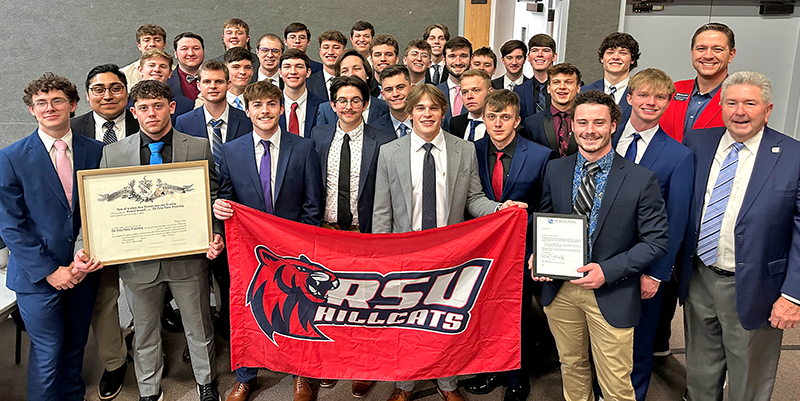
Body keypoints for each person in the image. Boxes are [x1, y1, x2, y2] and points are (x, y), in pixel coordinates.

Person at [373, 84, 526, 401]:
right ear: (411, 113)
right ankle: (404, 386)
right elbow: (382, 211)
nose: (426, 114)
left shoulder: (463, 150)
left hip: (451, 256)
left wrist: (500, 209)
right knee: (407, 324)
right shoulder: (390, 152)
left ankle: (448, 384)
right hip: (405, 254)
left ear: (443, 112)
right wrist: (381, 257)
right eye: (420, 108)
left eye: (433, 108)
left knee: (444, 323)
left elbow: (474, 199)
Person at [532, 90, 669, 401]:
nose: (589, 130)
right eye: (582, 122)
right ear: (573, 125)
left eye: (598, 122)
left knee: (616, 381)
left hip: (611, 291)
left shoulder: (641, 179)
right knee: (572, 366)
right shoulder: (556, 169)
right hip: (561, 291)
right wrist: (537, 255)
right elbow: (546, 218)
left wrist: (607, 271)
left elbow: (656, 240)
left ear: (613, 125)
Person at [96, 80, 225, 401]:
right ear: (133, 112)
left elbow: (211, 198)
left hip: (189, 258)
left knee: (199, 327)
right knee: (145, 332)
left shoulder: (197, 146)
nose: (151, 113)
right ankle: (149, 391)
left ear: (172, 107)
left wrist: (216, 234)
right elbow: (104, 207)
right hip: (138, 262)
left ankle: (206, 383)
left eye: (157, 106)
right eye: (143, 108)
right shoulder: (114, 153)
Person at [680, 71, 800, 401]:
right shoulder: (698, 142)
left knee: (749, 375)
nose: (740, 111)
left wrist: (792, 296)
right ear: (720, 106)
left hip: (758, 284)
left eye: (750, 103)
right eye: (731, 102)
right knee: (700, 366)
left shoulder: (793, 155)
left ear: (768, 109)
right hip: (699, 276)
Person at [213, 80, 322, 401]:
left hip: (293, 250)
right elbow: (227, 197)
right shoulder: (231, 151)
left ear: (280, 108)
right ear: (246, 111)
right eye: (257, 105)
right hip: (249, 252)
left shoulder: (303, 148)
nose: (265, 111)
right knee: (247, 310)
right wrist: (220, 207)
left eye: (271, 105)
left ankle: (300, 373)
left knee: (297, 311)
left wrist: (300, 245)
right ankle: (246, 375)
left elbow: (312, 205)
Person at [0, 72, 104, 401]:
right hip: (37, 276)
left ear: (73, 105)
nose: (49, 107)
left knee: (76, 345)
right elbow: (10, 224)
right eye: (41, 103)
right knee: (47, 351)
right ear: (31, 110)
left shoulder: (95, 150)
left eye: (57, 100)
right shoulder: (11, 157)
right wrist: (50, 271)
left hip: (83, 268)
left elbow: (99, 210)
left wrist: (82, 259)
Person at [308, 75, 395, 397]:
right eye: (342, 101)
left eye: (355, 100)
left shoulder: (384, 140)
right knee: (328, 304)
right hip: (327, 232)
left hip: (365, 234)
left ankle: (364, 367)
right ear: (332, 105)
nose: (348, 106)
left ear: (366, 104)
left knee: (365, 305)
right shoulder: (316, 136)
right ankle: (330, 364)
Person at [463, 89, 553, 401]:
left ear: (516, 120)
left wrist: (533, 250)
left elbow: (547, 207)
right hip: (482, 250)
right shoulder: (469, 151)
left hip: (521, 251)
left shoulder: (541, 155)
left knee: (517, 315)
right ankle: (490, 368)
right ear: (483, 119)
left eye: (505, 117)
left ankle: (516, 377)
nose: (498, 123)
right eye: (492, 116)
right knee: (483, 312)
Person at [611, 68, 694, 401]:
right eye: (643, 94)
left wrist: (656, 274)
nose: (651, 102)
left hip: (644, 265)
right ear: (628, 98)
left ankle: (635, 394)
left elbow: (675, 222)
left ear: (669, 103)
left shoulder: (679, 156)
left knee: (639, 341)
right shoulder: (604, 137)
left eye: (660, 96)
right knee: (602, 338)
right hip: (599, 260)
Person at [70, 64, 137, 400]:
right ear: (87, 95)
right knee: (104, 299)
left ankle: (149, 351)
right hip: (97, 230)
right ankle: (114, 363)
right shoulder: (70, 128)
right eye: (99, 89)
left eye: (115, 88)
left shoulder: (147, 119)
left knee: (147, 295)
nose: (108, 95)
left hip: (145, 227)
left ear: (127, 91)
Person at [660, 22, 736, 142]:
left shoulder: (740, 97)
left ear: (731, 55)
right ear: (692, 52)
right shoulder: (672, 90)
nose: (708, 55)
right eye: (701, 49)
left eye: (717, 49)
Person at [315, 50, 389, 126]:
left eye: (356, 69)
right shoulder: (325, 110)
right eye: (345, 71)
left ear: (367, 74)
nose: (351, 74)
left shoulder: (385, 107)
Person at [521, 63, 581, 157]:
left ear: (578, 88)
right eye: (556, 82)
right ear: (548, 88)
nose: (562, 87)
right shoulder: (532, 123)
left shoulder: (587, 121)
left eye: (568, 82)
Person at [580, 32, 640, 124]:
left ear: (632, 59)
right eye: (610, 52)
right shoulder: (583, 92)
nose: (616, 57)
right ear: (602, 58)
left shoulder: (640, 94)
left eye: (623, 53)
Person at [136, 49, 194, 125]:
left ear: (170, 73)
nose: (157, 69)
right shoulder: (127, 102)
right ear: (140, 70)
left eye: (163, 66)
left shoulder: (186, 104)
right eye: (151, 65)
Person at [278, 49, 326, 137]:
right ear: (280, 72)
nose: (293, 72)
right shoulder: (271, 104)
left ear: (308, 72)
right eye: (287, 67)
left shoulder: (322, 106)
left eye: (299, 66)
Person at [514, 34, 557, 119]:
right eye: (534, 50)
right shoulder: (519, 90)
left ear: (554, 57)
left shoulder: (564, 87)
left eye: (546, 50)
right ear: (528, 57)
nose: (540, 54)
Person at [434, 36, 472, 131]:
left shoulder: (483, 94)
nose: (458, 62)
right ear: (444, 60)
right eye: (452, 56)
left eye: (463, 56)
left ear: (471, 59)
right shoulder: (434, 93)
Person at [449, 69, 492, 141]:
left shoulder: (498, 123)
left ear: (490, 92)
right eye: (465, 92)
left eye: (476, 90)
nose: (469, 96)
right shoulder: (456, 123)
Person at [371, 64, 412, 137]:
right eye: (389, 90)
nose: (395, 94)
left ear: (411, 89)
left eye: (400, 87)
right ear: (382, 95)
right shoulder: (373, 130)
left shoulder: (429, 123)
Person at [307, 30, 347, 100]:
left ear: (344, 52)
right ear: (320, 52)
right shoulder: (308, 83)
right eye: (326, 47)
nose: (330, 52)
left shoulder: (352, 79)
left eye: (336, 47)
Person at [167, 32, 205, 101]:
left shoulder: (220, 77)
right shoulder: (166, 82)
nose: (191, 53)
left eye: (196, 48)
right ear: (175, 54)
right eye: (184, 49)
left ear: (203, 51)